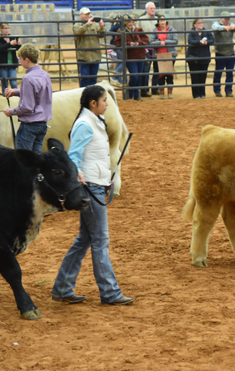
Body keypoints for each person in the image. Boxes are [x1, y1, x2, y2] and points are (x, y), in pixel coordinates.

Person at [52, 84, 133, 306]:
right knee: (100, 239)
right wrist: (78, 177)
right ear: (93, 103)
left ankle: (62, 287)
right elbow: (73, 156)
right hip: (90, 187)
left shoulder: (95, 121)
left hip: (97, 183)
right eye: (105, 100)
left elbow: (95, 155)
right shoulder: (85, 125)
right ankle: (109, 292)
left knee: (85, 238)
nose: (108, 103)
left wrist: (107, 177)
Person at [3, 43, 52, 152]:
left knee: (24, 159)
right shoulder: (45, 75)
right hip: (42, 124)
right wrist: (15, 91)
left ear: (27, 60)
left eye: (20, 58)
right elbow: (39, 94)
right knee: (35, 158)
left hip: (29, 126)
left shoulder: (28, 78)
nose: (19, 61)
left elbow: (27, 108)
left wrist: (11, 111)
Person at [114, 15, 149, 101]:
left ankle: (136, 95)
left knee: (139, 76)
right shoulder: (121, 31)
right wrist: (129, 44)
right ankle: (130, 92)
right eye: (128, 22)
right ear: (125, 23)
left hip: (140, 55)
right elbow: (117, 43)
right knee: (134, 76)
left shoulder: (138, 29)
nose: (130, 23)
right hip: (130, 56)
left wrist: (139, 43)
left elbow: (146, 39)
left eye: (131, 22)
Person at [73, 7, 106, 88]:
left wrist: (102, 27)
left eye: (88, 14)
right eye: (85, 14)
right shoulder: (77, 25)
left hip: (95, 55)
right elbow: (78, 32)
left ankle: (92, 96)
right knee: (85, 78)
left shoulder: (94, 25)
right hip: (84, 56)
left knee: (93, 78)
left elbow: (101, 35)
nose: (88, 15)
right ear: (80, 15)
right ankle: (84, 94)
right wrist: (87, 24)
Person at [212, 11, 235, 97]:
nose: (227, 20)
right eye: (225, 19)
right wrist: (224, 27)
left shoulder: (231, 25)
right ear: (221, 19)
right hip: (220, 53)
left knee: (229, 73)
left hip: (230, 53)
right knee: (218, 73)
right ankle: (217, 90)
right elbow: (215, 27)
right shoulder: (217, 24)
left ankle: (229, 91)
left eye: (228, 19)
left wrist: (234, 26)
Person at [150, 15, 178, 99]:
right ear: (158, 22)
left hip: (169, 54)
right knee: (160, 74)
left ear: (166, 21)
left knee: (169, 74)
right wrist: (159, 43)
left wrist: (165, 42)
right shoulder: (155, 31)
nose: (162, 22)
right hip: (159, 56)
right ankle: (161, 92)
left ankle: (170, 92)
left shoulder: (172, 30)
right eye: (161, 21)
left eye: (164, 20)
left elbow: (175, 41)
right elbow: (151, 42)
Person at [186, 18, 214, 99]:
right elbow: (190, 41)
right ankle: (196, 94)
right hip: (193, 57)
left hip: (204, 56)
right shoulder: (192, 32)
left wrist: (207, 42)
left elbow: (212, 40)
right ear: (195, 25)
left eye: (202, 23)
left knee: (203, 76)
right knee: (195, 76)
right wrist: (199, 42)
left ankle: (202, 93)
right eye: (199, 23)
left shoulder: (207, 31)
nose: (201, 24)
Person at [137, 2, 159, 97]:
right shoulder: (141, 20)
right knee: (146, 68)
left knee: (157, 68)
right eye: (151, 8)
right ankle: (144, 89)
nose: (153, 10)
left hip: (156, 46)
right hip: (145, 47)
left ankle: (155, 88)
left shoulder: (158, 19)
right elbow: (137, 32)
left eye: (154, 8)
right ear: (146, 10)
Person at [0, 23, 21, 93]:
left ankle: (16, 99)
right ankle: (6, 100)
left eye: (8, 28)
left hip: (12, 64)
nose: (7, 30)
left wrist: (19, 44)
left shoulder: (12, 37)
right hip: (2, 65)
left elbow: (16, 48)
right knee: (5, 84)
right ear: (1, 29)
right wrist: (10, 44)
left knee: (14, 83)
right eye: (5, 28)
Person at [109, 15, 124, 84]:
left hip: (117, 45)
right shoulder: (117, 26)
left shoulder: (117, 26)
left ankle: (119, 79)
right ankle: (115, 76)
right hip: (116, 45)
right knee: (123, 61)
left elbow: (110, 31)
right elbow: (110, 32)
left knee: (120, 61)